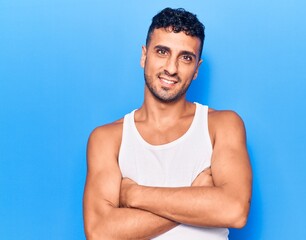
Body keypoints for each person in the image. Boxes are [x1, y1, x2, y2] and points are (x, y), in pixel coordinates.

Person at [83, 7, 252, 240]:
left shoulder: (221, 125)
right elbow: (101, 232)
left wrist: (134, 194)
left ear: (196, 69)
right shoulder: (108, 139)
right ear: (144, 56)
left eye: (185, 57)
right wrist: (198, 197)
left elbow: (234, 210)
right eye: (162, 51)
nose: (172, 68)